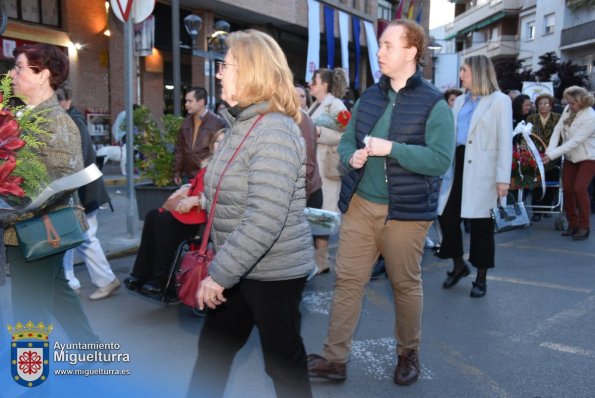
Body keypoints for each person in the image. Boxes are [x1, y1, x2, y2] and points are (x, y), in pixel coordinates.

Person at [307, 19, 454, 386]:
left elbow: (439, 160)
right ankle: (335, 359)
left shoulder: (434, 103)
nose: (380, 51)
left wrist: (394, 150)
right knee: (347, 283)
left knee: (405, 285)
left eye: (388, 45)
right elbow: (346, 141)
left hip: (405, 213)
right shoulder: (370, 97)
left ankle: (408, 353)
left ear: (411, 52)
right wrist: (351, 155)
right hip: (360, 205)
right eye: (381, 45)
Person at [187, 29, 314, 398]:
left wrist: (219, 275)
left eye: (225, 65)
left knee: (284, 366)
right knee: (213, 352)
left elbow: (265, 217)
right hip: (237, 265)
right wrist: (200, 199)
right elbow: (233, 191)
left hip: (272, 273)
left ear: (252, 71)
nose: (219, 73)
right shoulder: (244, 124)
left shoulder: (274, 130)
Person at [4, 43, 99, 342]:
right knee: (58, 293)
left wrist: (8, 195)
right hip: (32, 227)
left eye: (19, 67)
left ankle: (32, 382)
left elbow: (56, 185)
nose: (12, 74)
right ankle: (90, 348)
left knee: (29, 311)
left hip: (39, 229)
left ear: (43, 74)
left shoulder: (56, 123)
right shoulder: (25, 117)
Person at [436, 55, 512, 299]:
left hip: (483, 172)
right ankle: (459, 264)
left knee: (482, 226)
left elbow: (504, 142)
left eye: (464, 70)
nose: (461, 75)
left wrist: (503, 179)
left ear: (478, 72)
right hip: (457, 166)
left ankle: (481, 278)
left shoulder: (499, 101)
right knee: (447, 217)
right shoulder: (459, 101)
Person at [124, 130, 225, 296]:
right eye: (217, 141)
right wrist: (185, 188)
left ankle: (160, 280)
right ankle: (141, 274)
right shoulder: (209, 163)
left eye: (224, 141)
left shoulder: (230, 167)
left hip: (205, 219)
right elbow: (195, 182)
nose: (219, 145)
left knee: (164, 221)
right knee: (152, 216)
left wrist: (198, 200)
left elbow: (223, 195)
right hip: (191, 212)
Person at [55, 82, 121, 300]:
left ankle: (105, 280)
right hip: (80, 191)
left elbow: (76, 161)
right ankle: (75, 281)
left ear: (65, 101)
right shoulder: (70, 120)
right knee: (75, 238)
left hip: (84, 193)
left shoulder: (73, 123)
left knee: (85, 238)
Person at [307, 67, 349, 274]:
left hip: (327, 167)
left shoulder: (336, 105)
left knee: (323, 214)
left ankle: (322, 262)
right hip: (314, 168)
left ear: (324, 84)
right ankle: (318, 260)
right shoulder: (315, 105)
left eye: (314, 81)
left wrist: (319, 132)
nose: (310, 84)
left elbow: (347, 135)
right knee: (316, 213)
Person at [542, 86, 595, 240]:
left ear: (581, 101)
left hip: (588, 157)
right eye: (568, 102)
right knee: (567, 190)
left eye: (572, 103)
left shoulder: (590, 116)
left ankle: (585, 226)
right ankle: (573, 224)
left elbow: (575, 141)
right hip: (571, 157)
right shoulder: (567, 109)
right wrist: (548, 152)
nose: (569, 105)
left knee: (579, 189)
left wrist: (552, 156)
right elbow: (557, 131)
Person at [173, 86, 225, 185]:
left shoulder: (217, 123)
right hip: (187, 176)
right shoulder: (185, 122)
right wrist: (177, 172)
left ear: (201, 102)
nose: (186, 104)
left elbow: (221, 151)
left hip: (207, 176)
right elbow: (179, 148)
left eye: (190, 101)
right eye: (186, 101)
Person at [526, 93, 561, 222]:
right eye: (540, 103)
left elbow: (561, 137)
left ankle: (547, 208)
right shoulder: (532, 118)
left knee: (551, 182)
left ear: (551, 106)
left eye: (546, 103)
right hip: (536, 154)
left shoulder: (557, 118)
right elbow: (527, 136)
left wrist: (553, 153)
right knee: (537, 183)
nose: (543, 106)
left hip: (553, 155)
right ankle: (536, 210)